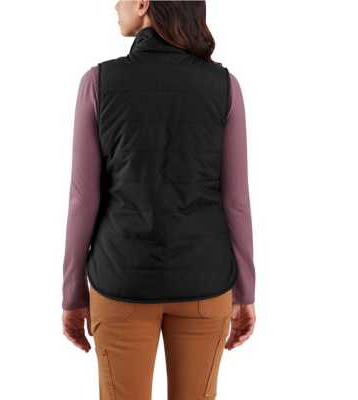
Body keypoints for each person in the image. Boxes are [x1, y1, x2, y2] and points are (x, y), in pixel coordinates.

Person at [62, 1, 256, 399]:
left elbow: (83, 199)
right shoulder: (224, 86)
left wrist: (72, 294)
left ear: (144, 4)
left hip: (121, 280)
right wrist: (246, 291)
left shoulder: (98, 82)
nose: (115, 5)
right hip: (205, 280)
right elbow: (236, 200)